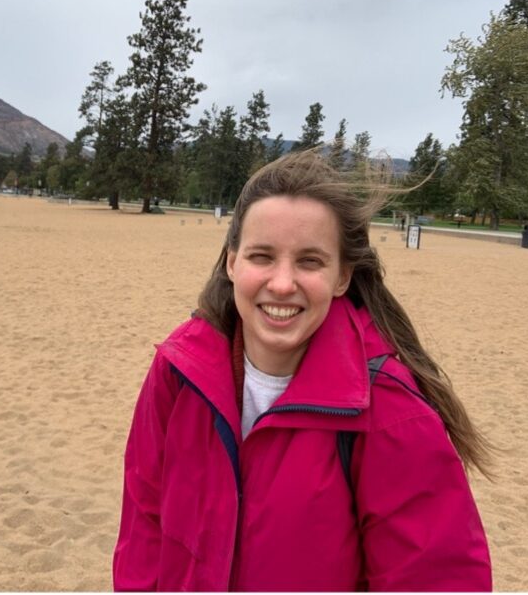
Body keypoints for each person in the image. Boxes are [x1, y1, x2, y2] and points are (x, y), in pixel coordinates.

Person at [113, 150, 492, 591]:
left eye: (310, 261)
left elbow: (435, 578)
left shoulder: (389, 410)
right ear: (232, 262)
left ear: (342, 276)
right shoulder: (178, 372)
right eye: (261, 256)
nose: (281, 283)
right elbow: (144, 519)